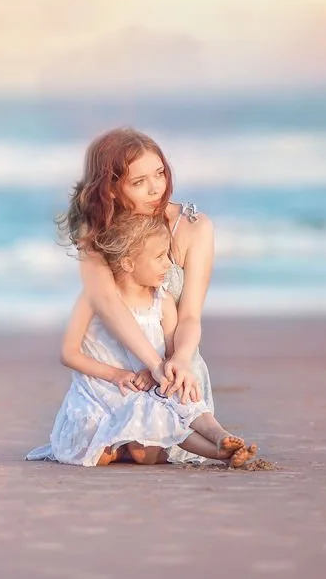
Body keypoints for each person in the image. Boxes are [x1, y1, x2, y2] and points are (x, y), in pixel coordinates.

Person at [26, 212, 257, 467]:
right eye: (159, 257)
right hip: (102, 391)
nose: (168, 264)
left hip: (146, 389)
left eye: (167, 255)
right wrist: (116, 375)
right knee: (104, 454)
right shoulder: (94, 298)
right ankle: (213, 452)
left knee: (176, 395)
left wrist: (155, 370)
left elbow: (170, 354)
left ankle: (220, 440)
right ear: (128, 263)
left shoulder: (163, 301)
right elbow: (68, 353)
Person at [63, 127, 216, 463]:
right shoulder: (97, 229)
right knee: (111, 448)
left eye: (160, 173)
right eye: (138, 182)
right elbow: (107, 302)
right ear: (113, 190)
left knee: (150, 447)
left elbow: (190, 315)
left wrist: (177, 360)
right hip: (121, 372)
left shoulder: (194, 227)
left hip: (176, 363)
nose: (155, 188)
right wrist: (152, 365)